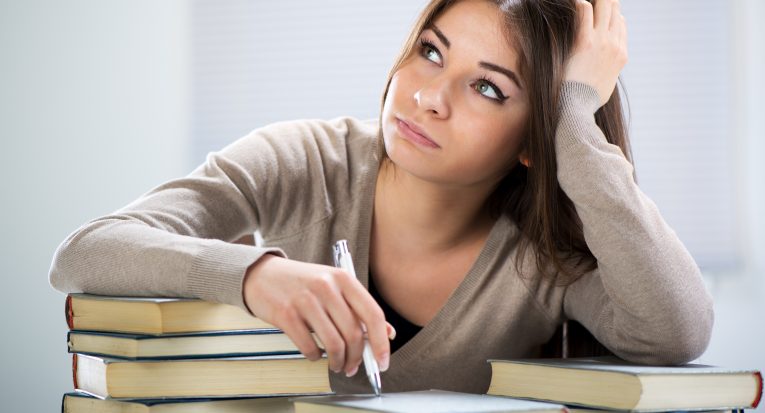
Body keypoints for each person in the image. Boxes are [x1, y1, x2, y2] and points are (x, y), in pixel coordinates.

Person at [49, 0, 714, 394]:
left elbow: (675, 330)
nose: (428, 96)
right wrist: (258, 275)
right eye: (429, 51)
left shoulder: (541, 260)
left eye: (486, 88)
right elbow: (84, 252)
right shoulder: (305, 160)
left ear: (531, 142)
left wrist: (573, 115)